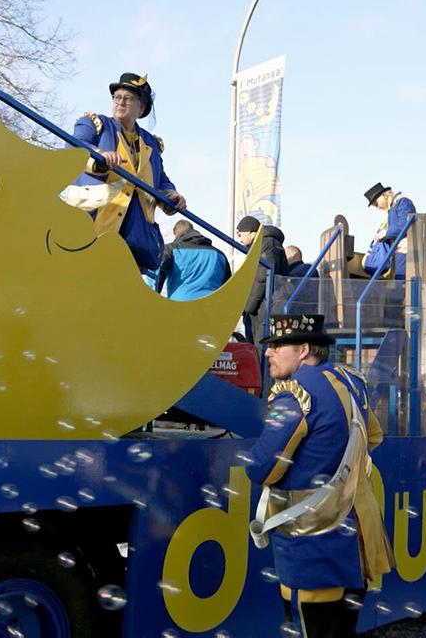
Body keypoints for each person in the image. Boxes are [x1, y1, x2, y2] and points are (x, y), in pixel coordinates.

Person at [244, 314, 391, 637]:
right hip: (357, 540)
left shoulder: (293, 393)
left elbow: (262, 466)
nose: (267, 352)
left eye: (278, 345)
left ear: (303, 349)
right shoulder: (352, 381)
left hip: (311, 544)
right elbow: (374, 437)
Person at [63, 72, 184, 273]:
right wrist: (101, 155)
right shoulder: (95, 124)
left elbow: (161, 179)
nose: (120, 102)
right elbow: (75, 148)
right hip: (93, 222)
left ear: (142, 107)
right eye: (117, 97)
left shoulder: (151, 142)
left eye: (127, 98)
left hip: (135, 233)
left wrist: (172, 196)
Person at [236, 216, 287, 343]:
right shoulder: (265, 244)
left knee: (260, 345)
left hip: (265, 305)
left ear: (250, 231)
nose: (239, 238)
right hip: (263, 303)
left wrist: (249, 307)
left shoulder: (266, 244)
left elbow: (262, 277)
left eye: (240, 234)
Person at [153, 219, 230, 301]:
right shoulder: (219, 255)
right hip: (213, 306)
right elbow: (229, 287)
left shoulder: (171, 249)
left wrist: (151, 299)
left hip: (181, 306)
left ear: (176, 234)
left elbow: (157, 276)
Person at [361, 183, 415, 279]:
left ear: (383, 196)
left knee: (401, 283)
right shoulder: (392, 207)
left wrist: (384, 233)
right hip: (397, 252)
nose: (377, 208)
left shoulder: (402, 202)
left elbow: (405, 225)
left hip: (404, 251)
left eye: (376, 204)